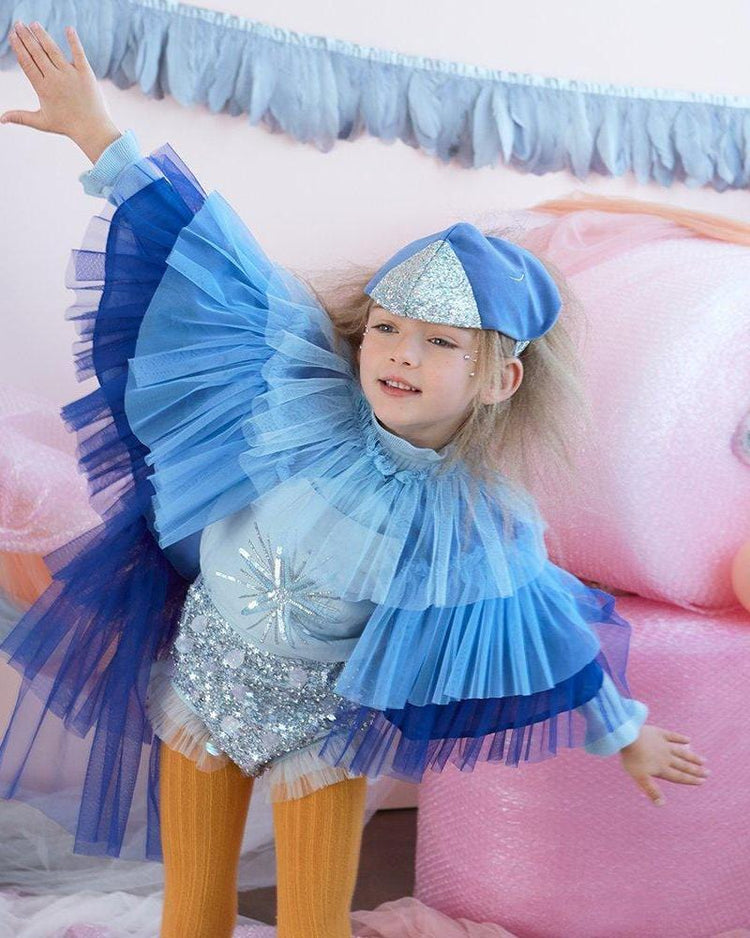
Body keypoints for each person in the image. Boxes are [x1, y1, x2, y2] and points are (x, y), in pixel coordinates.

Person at [0, 21, 710, 938]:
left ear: (501, 380)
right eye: (387, 327)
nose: (400, 353)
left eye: (441, 340)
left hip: (319, 733)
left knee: (312, 924)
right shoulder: (297, 395)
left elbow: (552, 630)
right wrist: (103, 135)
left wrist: (626, 734)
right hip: (203, 689)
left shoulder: (473, 523)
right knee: (190, 911)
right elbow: (217, 255)